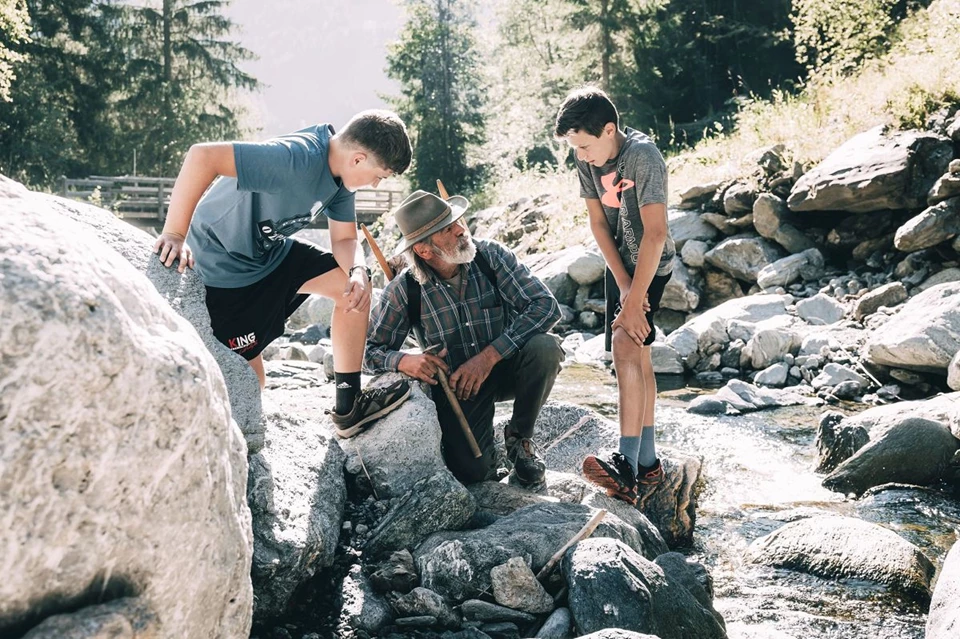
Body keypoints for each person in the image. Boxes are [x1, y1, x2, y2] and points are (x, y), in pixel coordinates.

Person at [153, 110, 413, 438]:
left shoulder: (340, 180)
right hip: (223, 269)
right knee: (251, 384)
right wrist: (175, 232)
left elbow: (345, 239)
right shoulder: (294, 157)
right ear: (358, 159)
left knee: (353, 292)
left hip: (270, 255)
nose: (375, 184)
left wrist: (359, 270)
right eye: (379, 176)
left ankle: (348, 407)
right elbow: (202, 156)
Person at [365, 190, 564, 487]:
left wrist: (489, 356)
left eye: (457, 221)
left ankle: (519, 438)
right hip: (461, 388)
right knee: (473, 474)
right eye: (447, 229)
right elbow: (368, 351)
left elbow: (546, 307)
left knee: (546, 347)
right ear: (424, 251)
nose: (462, 229)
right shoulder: (405, 289)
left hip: (509, 366)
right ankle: (488, 455)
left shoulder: (491, 257)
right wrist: (406, 360)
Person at [554, 87, 676, 505]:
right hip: (621, 265)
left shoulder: (644, 157)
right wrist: (624, 288)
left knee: (626, 341)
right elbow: (598, 223)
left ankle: (625, 463)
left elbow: (656, 234)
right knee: (637, 353)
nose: (583, 155)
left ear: (610, 129)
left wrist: (637, 295)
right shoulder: (585, 157)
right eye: (576, 148)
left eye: (586, 145)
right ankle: (649, 463)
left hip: (651, 263)